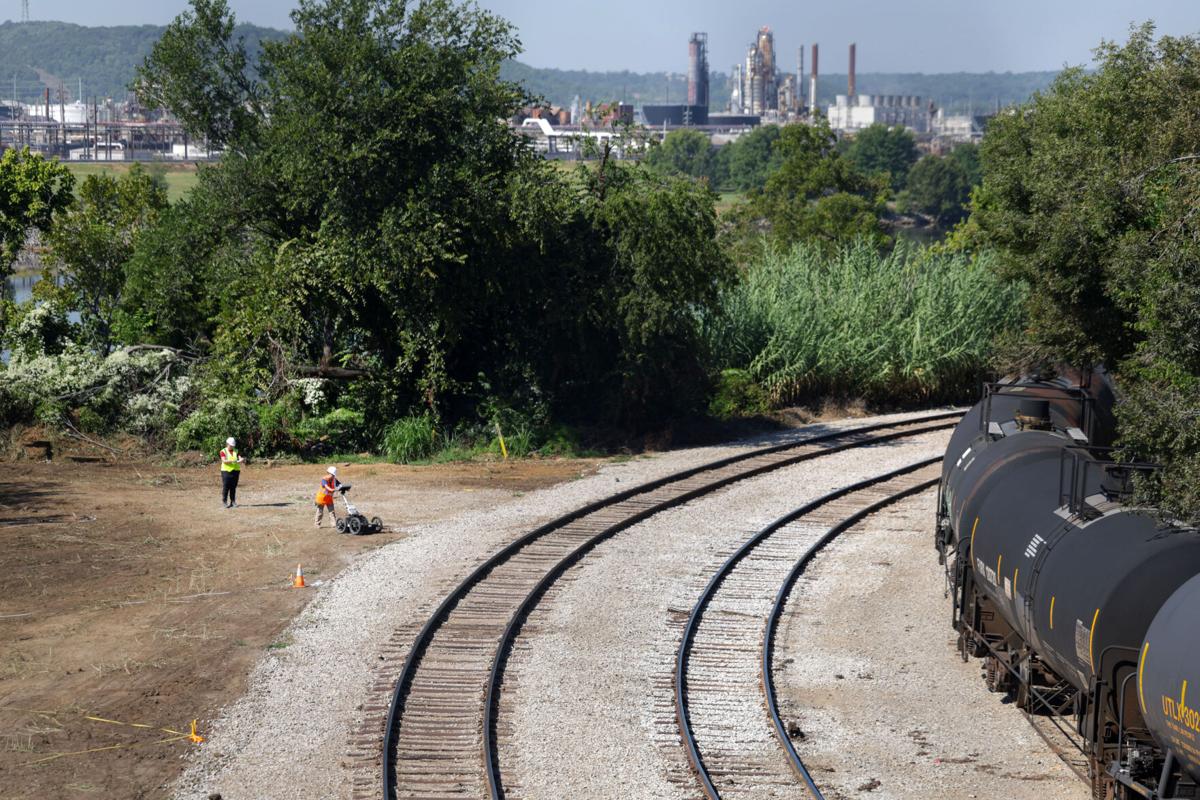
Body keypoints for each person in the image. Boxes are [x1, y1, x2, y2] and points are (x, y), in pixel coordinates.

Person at [220, 437, 244, 508]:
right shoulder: (223, 451)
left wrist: (241, 460)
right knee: (226, 487)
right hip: (226, 471)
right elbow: (224, 461)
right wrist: (234, 461)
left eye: (233, 445)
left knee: (233, 487)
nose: (232, 447)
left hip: (235, 471)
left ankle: (233, 501)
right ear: (227, 444)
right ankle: (224, 501)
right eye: (231, 445)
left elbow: (240, 458)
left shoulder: (236, 450)